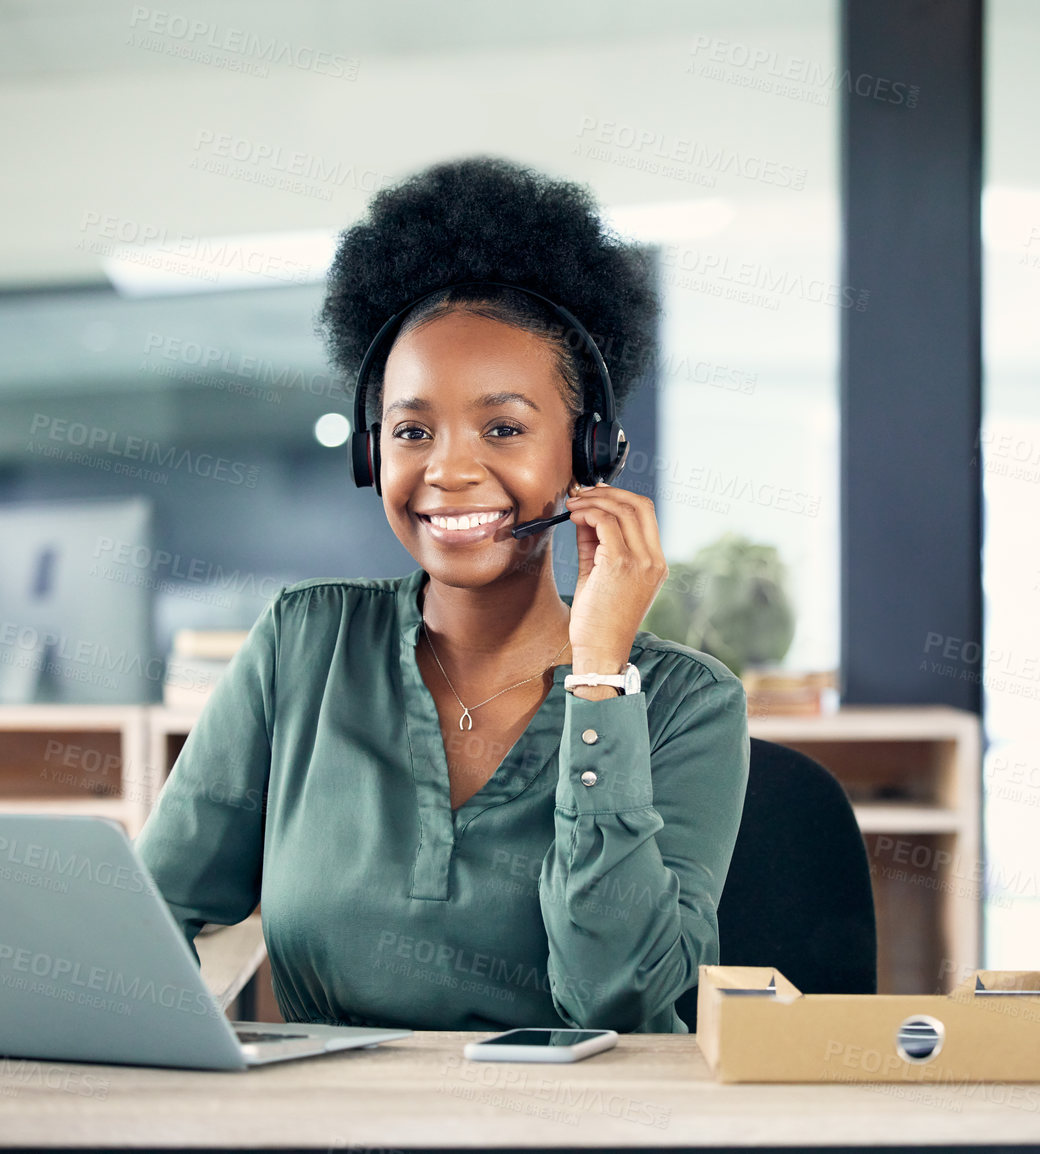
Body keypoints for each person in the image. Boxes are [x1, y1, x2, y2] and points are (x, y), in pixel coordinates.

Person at [136, 157, 749, 1034]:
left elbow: (615, 994)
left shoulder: (688, 703)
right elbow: (154, 915)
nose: (450, 470)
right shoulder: (304, 645)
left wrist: (599, 677)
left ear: (588, 453)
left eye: (503, 427)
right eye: (412, 430)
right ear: (370, 452)